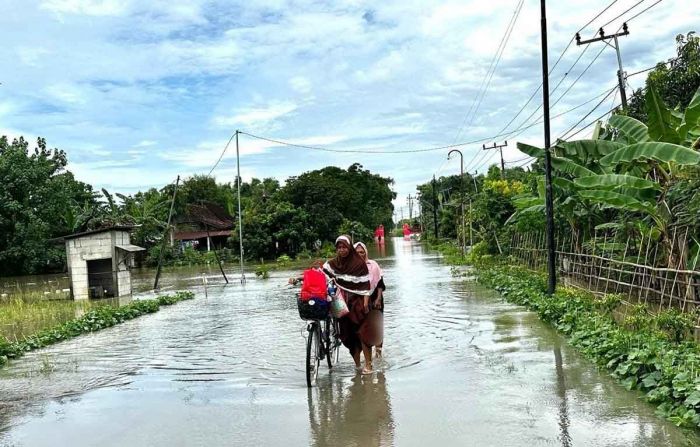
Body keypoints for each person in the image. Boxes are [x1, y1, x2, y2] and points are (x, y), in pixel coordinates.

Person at [322, 235, 378, 374]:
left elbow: (366, 285)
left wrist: (365, 303)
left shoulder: (359, 264)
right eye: (339, 247)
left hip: (358, 303)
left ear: (349, 248)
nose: (342, 250)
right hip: (341, 303)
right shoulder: (333, 264)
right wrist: (301, 278)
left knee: (363, 333)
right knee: (347, 335)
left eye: (344, 247)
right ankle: (358, 364)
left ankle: (369, 365)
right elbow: (321, 274)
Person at [354, 241, 386, 357]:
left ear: (365, 252)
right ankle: (366, 354)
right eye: (357, 252)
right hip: (360, 301)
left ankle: (378, 353)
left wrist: (378, 299)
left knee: (377, 325)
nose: (360, 254)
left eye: (362, 252)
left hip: (375, 299)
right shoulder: (351, 268)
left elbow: (380, 284)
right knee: (364, 328)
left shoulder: (373, 265)